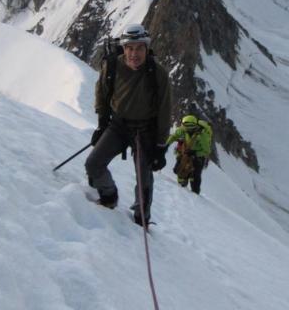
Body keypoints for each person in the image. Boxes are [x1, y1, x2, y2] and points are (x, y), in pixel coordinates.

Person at [85, 23, 172, 226]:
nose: (134, 54)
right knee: (93, 164)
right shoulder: (113, 66)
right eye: (129, 48)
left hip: (145, 131)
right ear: (123, 48)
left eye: (139, 48)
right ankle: (109, 195)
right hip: (118, 126)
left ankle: (142, 217)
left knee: (144, 180)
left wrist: (160, 145)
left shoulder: (158, 74)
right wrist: (101, 125)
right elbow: (102, 94)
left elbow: (164, 111)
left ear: (146, 48)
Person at [166, 114, 212, 194]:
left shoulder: (202, 135)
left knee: (195, 175)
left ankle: (195, 192)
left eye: (186, 127)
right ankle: (181, 187)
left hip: (198, 157)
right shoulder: (183, 129)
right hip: (185, 153)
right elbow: (174, 136)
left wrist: (195, 153)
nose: (184, 128)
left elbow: (206, 151)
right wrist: (165, 145)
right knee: (179, 170)